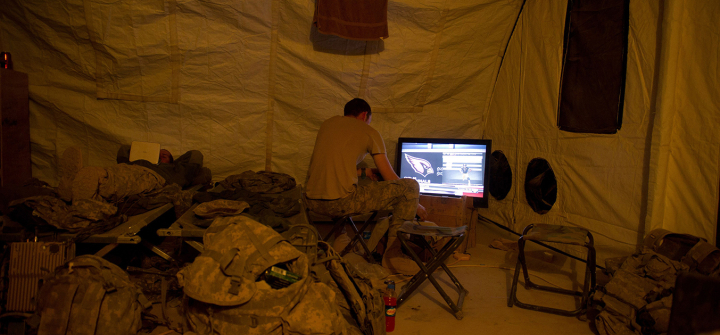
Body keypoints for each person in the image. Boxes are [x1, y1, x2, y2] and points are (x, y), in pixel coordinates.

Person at [305, 98, 427, 275]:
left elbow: (333, 169)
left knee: (340, 187)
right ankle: (393, 256)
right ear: (364, 116)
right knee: (409, 186)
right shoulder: (369, 131)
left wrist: (364, 172)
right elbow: (390, 178)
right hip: (340, 203)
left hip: (311, 201)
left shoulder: (327, 124)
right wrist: (416, 203)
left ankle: (341, 240)